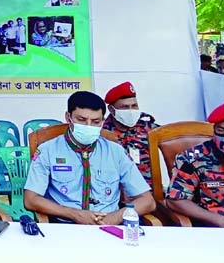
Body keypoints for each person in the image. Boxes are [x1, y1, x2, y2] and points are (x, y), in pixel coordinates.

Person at [23, 90, 155, 224]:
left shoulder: (116, 152)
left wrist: (115, 217)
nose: (88, 126)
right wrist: (75, 214)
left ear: (103, 121)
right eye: (81, 120)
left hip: (110, 225)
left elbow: (147, 200)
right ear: (68, 117)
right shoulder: (48, 150)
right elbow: (31, 199)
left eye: (95, 121)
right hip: (66, 225)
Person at [165, 103, 224, 227]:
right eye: (221, 130)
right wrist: (219, 220)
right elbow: (176, 200)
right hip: (213, 227)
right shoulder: (193, 158)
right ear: (214, 131)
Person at [101, 82, 159, 187]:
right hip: (113, 191)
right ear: (111, 109)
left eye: (134, 106)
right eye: (125, 107)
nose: (131, 111)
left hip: (148, 189)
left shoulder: (150, 129)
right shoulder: (102, 133)